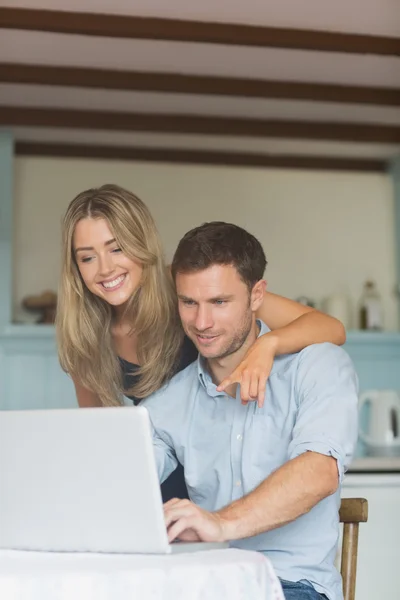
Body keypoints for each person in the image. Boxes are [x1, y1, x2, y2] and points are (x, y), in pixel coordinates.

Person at [56, 184, 346, 503]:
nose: (105, 268)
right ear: (75, 268)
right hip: (158, 488)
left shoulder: (190, 287)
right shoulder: (84, 336)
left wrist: (268, 345)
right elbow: (99, 440)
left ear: (142, 244)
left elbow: (330, 328)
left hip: (223, 478)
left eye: (116, 248)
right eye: (87, 258)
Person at [142, 221, 359, 600]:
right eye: (188, 302)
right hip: (209, 586)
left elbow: (318, 473)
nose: (201, 323)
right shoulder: (167, 404)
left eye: (219, 302)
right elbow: (118, 479)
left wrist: (220, 524)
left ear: (257, 295)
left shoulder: (319, 366)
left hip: (294, 585)